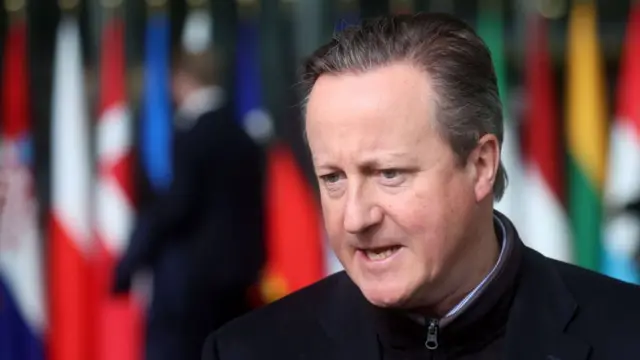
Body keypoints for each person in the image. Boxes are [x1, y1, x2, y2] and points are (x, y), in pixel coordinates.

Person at [202, 13, 640, 360]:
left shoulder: (626, 334)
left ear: (481, 165)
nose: (355, 218)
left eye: (389, 174)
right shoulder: (246, 350)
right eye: (333, 178)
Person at [113, 49, 266, 360]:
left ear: (181, 80)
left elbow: (179, 205)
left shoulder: (192, 135)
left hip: (194, 285)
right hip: (241, 274)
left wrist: (133, 258)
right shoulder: (244, 135)